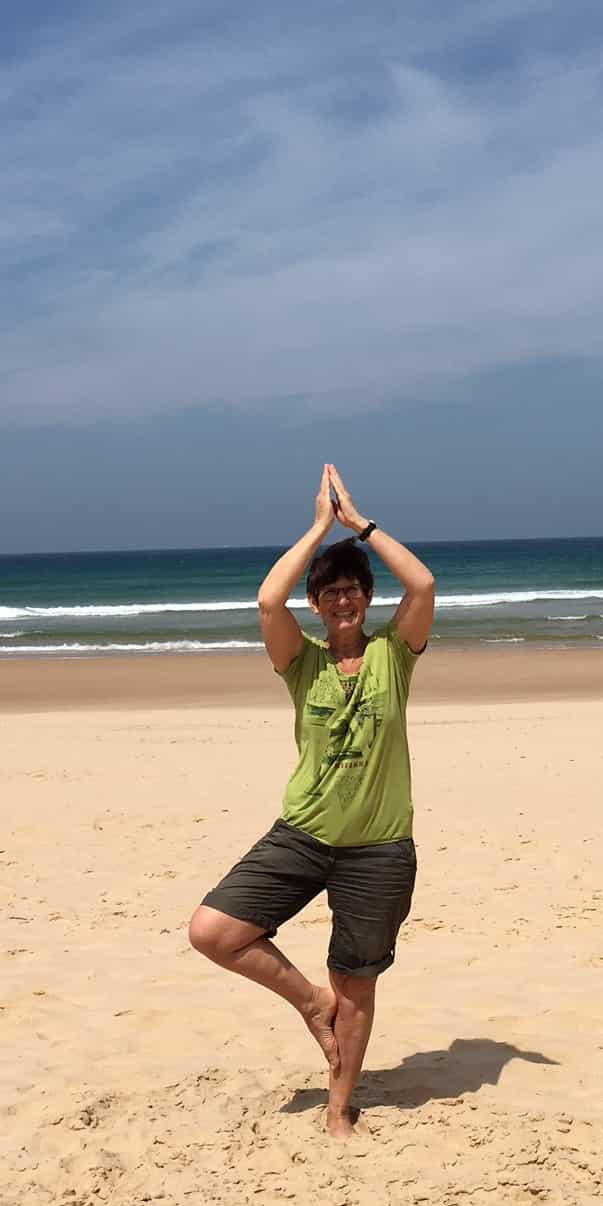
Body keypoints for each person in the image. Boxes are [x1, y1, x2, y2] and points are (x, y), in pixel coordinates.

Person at [187, 464, 436, 1138]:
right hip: (303, 833)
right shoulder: (303, 661)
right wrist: (319, 529)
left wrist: (360, 524)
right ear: (318, 604)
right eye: (328, 593)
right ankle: (308, 1003)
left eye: (352, 590)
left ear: (366, 597)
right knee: (213, 931)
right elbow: (269, 601)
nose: (341, 601)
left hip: (380, 847)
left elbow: (425, 584)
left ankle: (338, 1107)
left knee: (357, 982)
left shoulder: (395, 654)